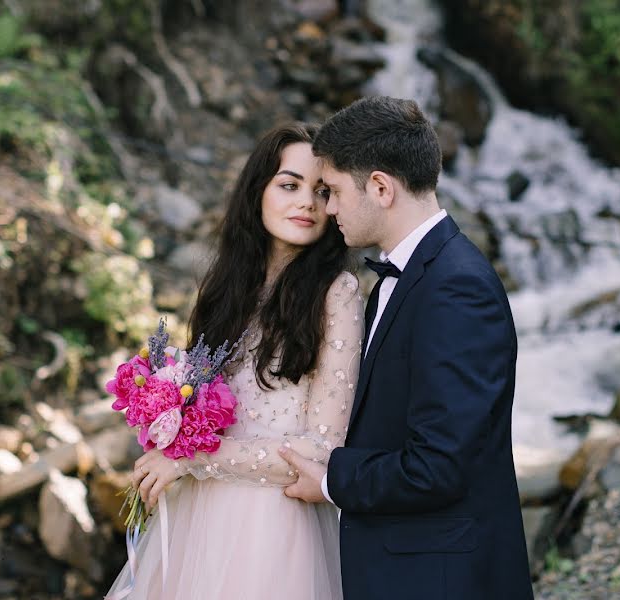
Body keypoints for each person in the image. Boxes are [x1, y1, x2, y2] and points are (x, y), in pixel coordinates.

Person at [279, 96, 535, 600]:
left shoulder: (458, 288)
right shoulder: (409, 276)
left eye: (332, 191)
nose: (326, 208)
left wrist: (334, 479)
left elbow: (437, 466)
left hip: (440, 579)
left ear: (380, 187)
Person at [105, 123, 363, 600]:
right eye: (289, 185)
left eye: (321, 191)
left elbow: (322, 449)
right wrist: (167, 423)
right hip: (196, 517)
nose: (307, 202)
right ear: (257, 191)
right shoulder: (227, 290)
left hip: (274, 529)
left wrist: (191, 458)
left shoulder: (336, 294)